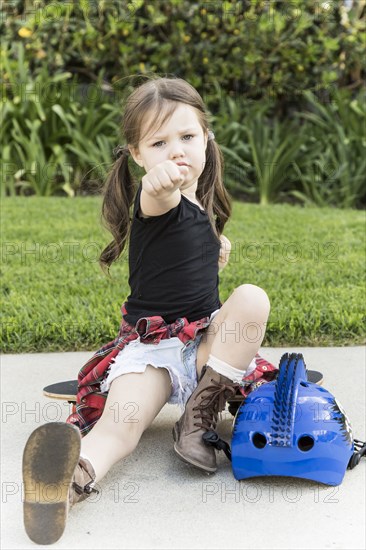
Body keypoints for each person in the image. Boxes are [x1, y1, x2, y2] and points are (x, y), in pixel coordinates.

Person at [22, 76, 275, 545]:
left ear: (206, 138)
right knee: (122, 426)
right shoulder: (157, 199)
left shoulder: (200, 206)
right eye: (158, 143)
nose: (175, 151)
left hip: (204, 349)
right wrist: (158, 184)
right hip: (154, 349)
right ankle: (68, 481)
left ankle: (196, 419)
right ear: (137, 155)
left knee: (251, 299)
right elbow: (158, 197)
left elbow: (185, 255)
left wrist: (213, 249)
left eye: (186, 137)